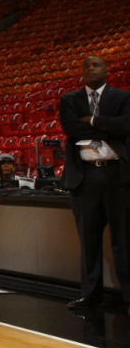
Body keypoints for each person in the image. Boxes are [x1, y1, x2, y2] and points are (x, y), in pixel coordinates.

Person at [59, 56, 130, 312]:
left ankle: (128, 297)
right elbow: (71, 129)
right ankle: (90, 296)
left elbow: (126, 126)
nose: (91, 69)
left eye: (96, 65)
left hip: (118, 177)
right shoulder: (70, 100)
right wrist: (108, 129)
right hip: (85, 177)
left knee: (124, 240)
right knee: (89, 241)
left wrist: (92, 121)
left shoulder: (123, 98)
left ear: (107, 70)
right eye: (86, 66)